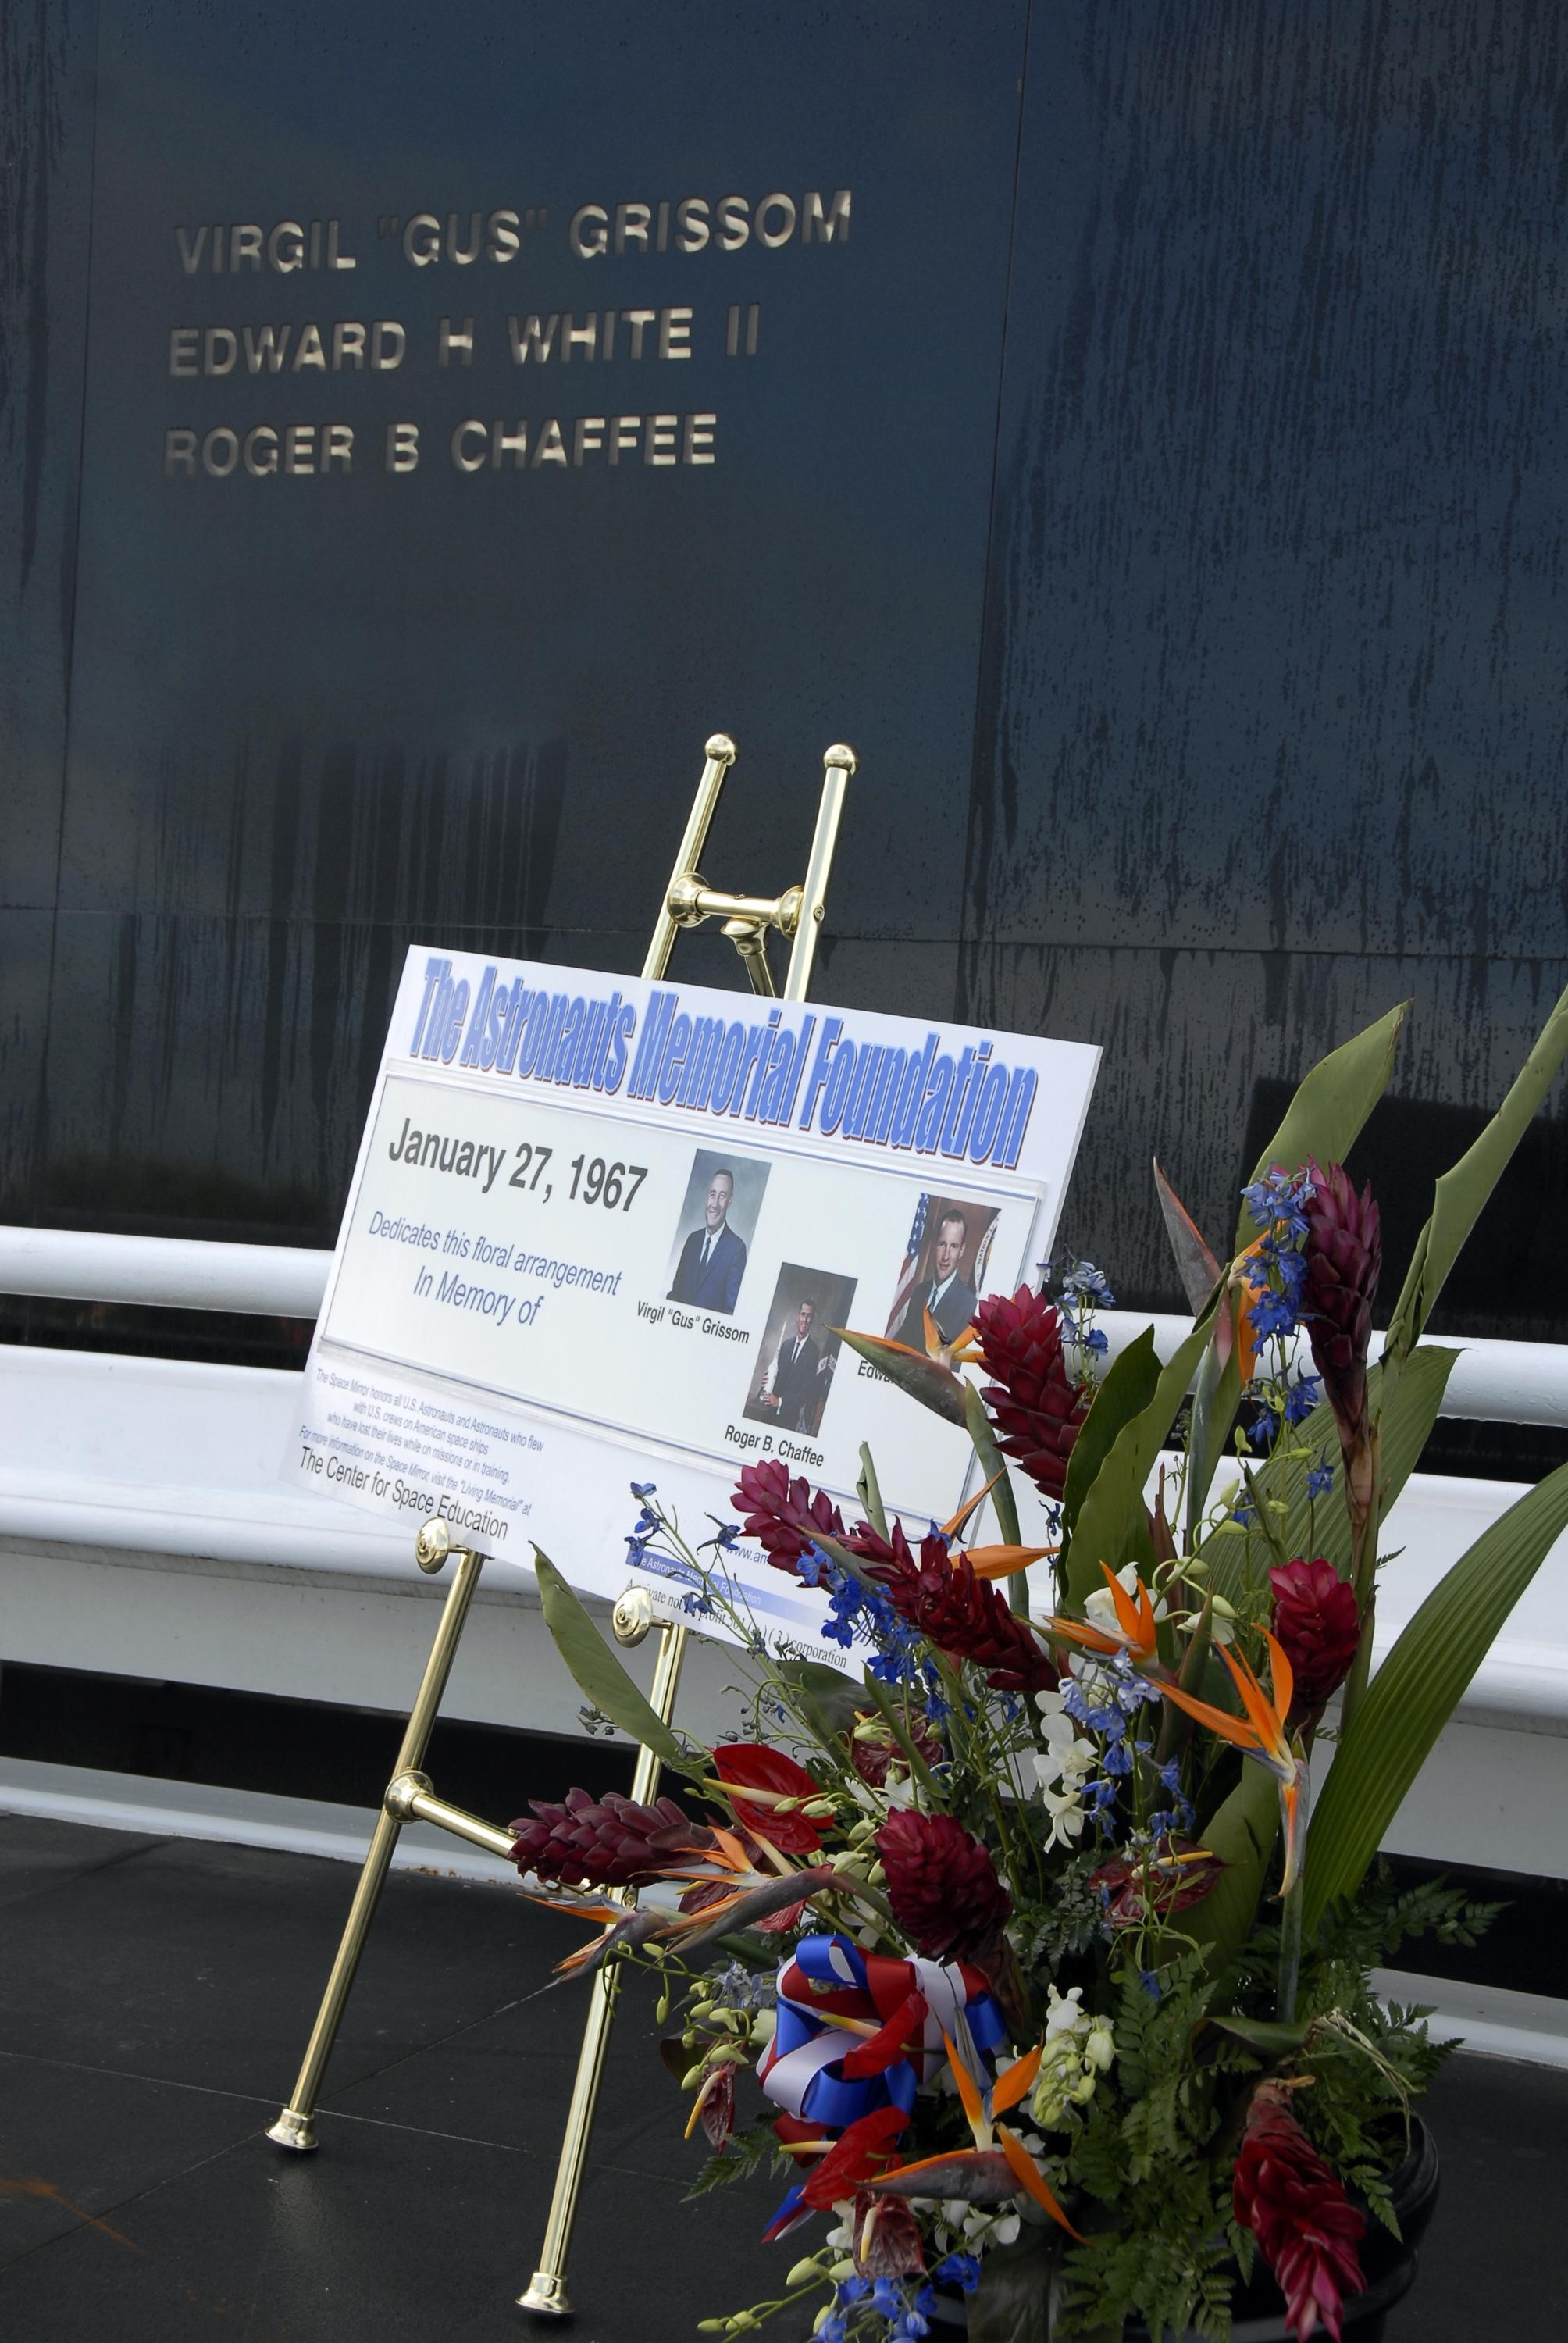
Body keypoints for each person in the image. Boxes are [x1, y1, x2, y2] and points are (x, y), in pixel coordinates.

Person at [668, 1166, 747, 1313]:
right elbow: (675, 1293)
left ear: (730, 1201)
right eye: (713, 1194)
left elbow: (730, 1311)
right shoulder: (692, 1240)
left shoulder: (736, 1250)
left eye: (722, 1196)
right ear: (707, 1197)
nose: (715, 1204)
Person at [893, 1207, 976, 1348]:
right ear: (934, 1245)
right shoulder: (919, 1292)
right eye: (942, 1244)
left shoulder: (970, 1306)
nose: (946, 1256)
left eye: (954, 1246)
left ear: (961, 1251)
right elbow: (902, 1342)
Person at [757, 1296, 829, 1432]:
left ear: (812, 1320)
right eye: (803, 1315)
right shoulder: (786, 1345)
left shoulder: (813, 1353)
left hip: (786, 1421)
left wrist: (780, 1402)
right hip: (767, 1414)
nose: (805, 1320)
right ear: (798, 1317)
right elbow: (777, 1377)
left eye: (809, 1316)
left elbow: (805, 1393)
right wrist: (767, 1382)